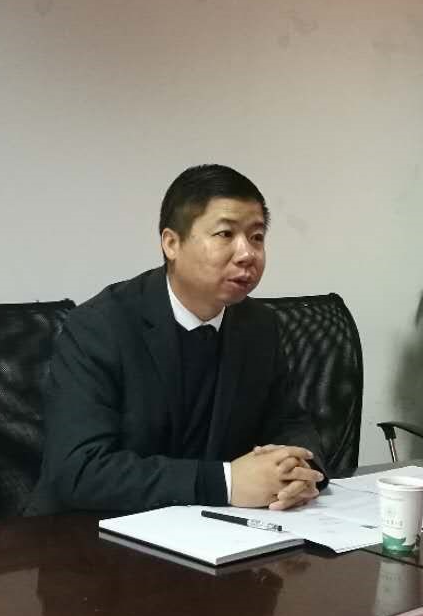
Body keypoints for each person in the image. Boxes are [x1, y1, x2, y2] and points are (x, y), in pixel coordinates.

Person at [27, 164, 325, 515]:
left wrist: (300, 470)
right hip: (90, 533)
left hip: (216, 531)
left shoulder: (259, 326)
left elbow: (289, 423)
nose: (247, 254)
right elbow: (80, 470)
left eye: (257, 237)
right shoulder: (100, 327)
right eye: (225, 234)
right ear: (171, 243)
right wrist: (226, 483)